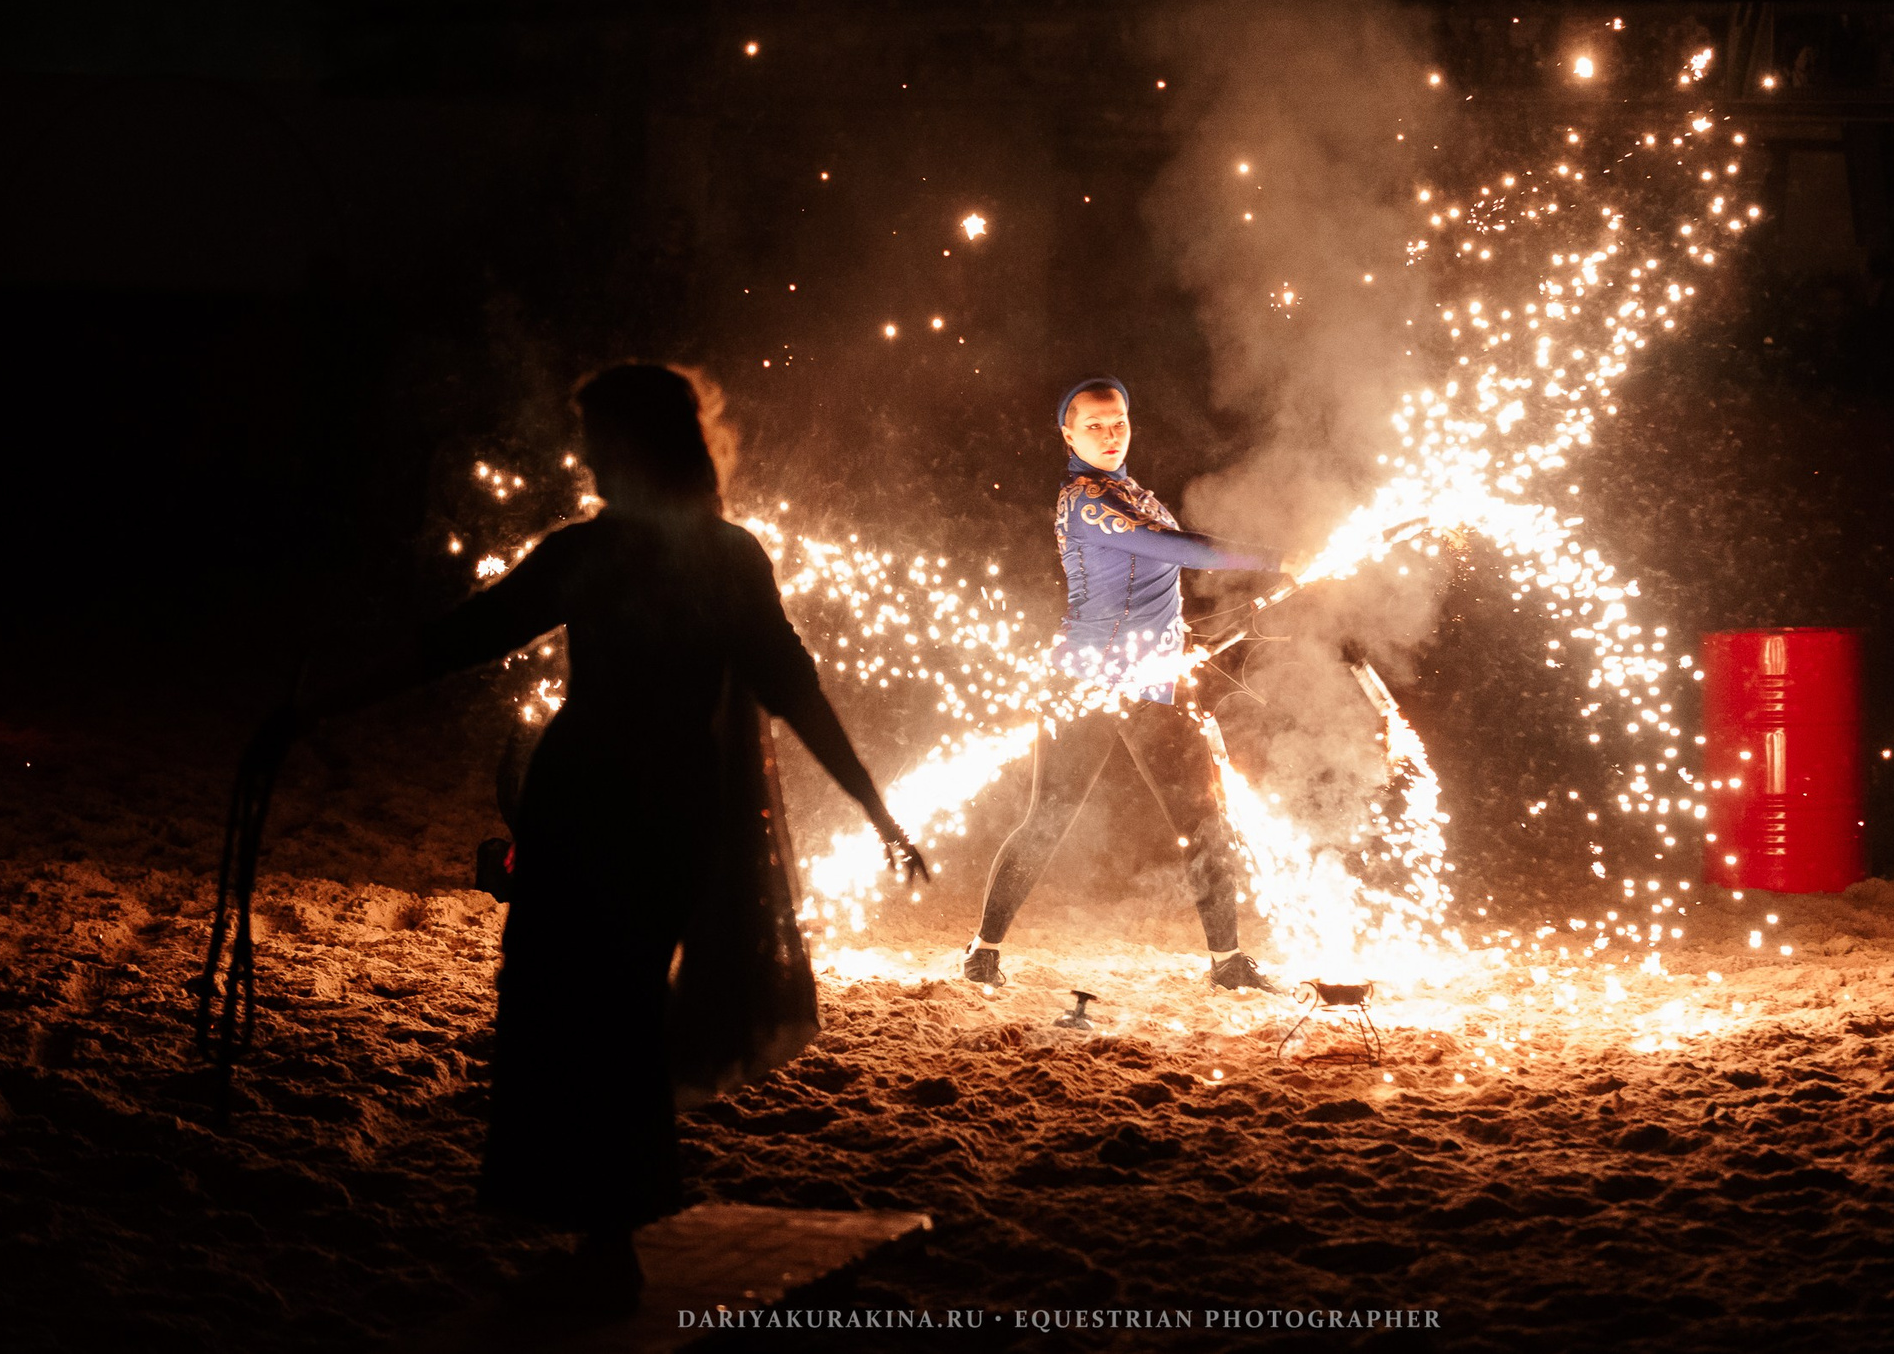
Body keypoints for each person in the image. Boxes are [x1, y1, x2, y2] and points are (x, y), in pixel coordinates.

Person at [283, 363, 925, 1312]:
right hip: (649, 809)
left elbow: (462, 638)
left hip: (603, 805)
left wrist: (879, 810)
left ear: (639, 447)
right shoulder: (715, 554)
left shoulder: (605, 553)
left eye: (599, 440)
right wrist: (877, 813)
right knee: (601, 1007)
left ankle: (610, 1243)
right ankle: (606, 1237)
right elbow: (791, 691)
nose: (587, 457)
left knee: (592, 1008)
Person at [965, 377, 1290, 992]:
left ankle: (1227, 964)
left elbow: (1155, 584)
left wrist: (1182, 638)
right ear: (1068, 433)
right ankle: (983, 950)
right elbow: (1176, 548)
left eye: (1118, 423)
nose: (1110, 435)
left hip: (1151, 683)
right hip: (1083, 685)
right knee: (1048, 819)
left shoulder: (1136, 494)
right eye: (1094, 425)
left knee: (1203, 817)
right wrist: (1274, 559)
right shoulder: (1083, 502)